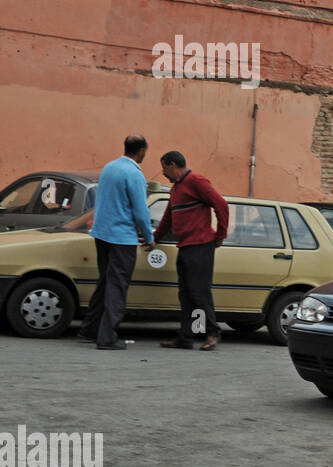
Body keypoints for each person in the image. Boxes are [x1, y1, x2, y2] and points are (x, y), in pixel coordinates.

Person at [78, 135, 154, 350]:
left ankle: (89, 329)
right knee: (117, 287)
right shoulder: (134, 174)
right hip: (122, 238)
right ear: (140, 151)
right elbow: (141, 211)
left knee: (105, 281)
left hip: (102, 234)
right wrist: (149, 237)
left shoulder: (109, 168)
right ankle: (107, 337)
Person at [152, 151, 230, 351]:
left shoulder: (196, 181)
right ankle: (187, 337)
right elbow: (168, 218)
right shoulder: (176, 189)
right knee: (186, 294)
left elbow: (220, 204)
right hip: (185, 247)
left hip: (201, 246)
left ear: (172, 165)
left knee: (199, 293)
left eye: (164, 168)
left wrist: (220, 235)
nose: (163, 172)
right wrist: (154, 239)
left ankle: (212, 333)